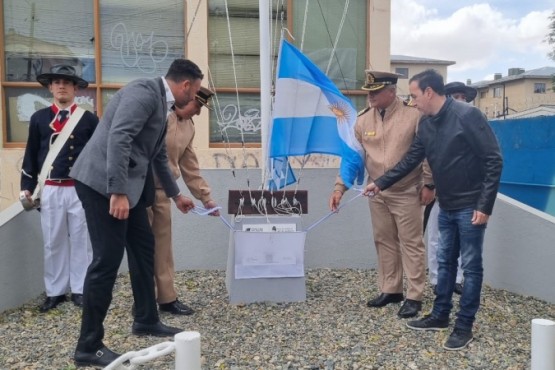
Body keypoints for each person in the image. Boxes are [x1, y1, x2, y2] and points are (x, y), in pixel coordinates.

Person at [70, 59, 203, 367]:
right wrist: (117, 191)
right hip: (100, 185)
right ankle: (88, 346)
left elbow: (155, 153)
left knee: (144, 250)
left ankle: (145, 318)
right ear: (185, 86)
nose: (194, 98)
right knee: (106, 260)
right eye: (195, 91)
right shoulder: (143, 93)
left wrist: (175, 194)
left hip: (126, 190)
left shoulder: (162, 104)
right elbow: (119, 138)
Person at [364, 69, 502, 351]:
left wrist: (484, 205)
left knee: (471, 268)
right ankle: (440, 316)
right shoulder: (426, 124)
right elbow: (409, 161)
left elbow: (493, 160)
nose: (412, 101)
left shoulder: (467, 116)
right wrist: (379, 183)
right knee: (444, 263)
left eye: (414, 95)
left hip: (471, 206)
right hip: (446, 204)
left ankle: (464, 326)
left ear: (429, 92)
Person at [329, 70, 434, 319]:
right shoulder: (363, 121)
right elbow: (353, 158)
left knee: (411, 244)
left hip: (407, 191)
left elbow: (427, 152)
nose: (370, 97)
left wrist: (430, 184)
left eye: (375, 92)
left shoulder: (414, 115)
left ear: (391, 91)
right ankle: (391, 289)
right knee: (384, 241)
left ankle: (414, 295)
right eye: (369, 92)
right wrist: (339, 188)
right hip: (376, 191)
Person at [20, 65, 98, 312]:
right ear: (50, 87)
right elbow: (31, 155)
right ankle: (55, 291)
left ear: (75, 88)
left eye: (67, 82)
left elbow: (96, 156)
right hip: (51, 188)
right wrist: (27, 187)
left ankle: (80, 288)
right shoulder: (39, 118)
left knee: (81, 239)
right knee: (53, 241)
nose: (61, 86)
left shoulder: (88, 119)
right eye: (56, 82)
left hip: (79, 189)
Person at [148, 86, 219, 316]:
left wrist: (205, 197)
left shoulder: (189, 126)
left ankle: (167, 298)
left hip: (163, 193)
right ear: (184, 98)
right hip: (138, 190)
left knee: (163, 249)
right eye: (197, 106)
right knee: (142, 249)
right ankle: (144, 299)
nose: (198, 112)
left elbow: (189, 165)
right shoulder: (159, 117)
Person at [425, 81, 478, 295]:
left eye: (463, 97)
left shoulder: (472, 123)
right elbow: (427, 158)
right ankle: (437, 279)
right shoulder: (433, 123)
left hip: (466, 191)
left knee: (462, 238)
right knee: (437, 237)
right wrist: (430, 184)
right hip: (439, 190)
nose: (461, 100)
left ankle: (457, 279)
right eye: (456, 96)